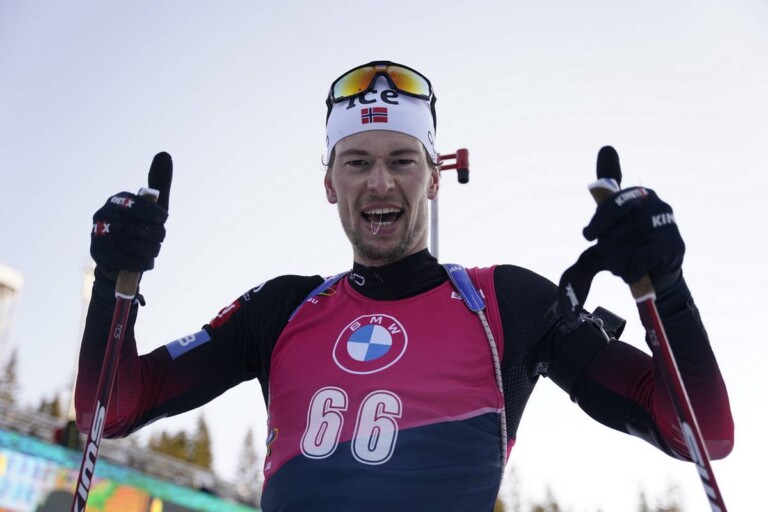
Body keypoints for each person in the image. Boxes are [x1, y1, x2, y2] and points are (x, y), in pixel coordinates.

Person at [76, 61, 734, 511]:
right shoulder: (280, 308)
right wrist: (114, 283)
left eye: (401, 161)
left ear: (434, 176)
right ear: (330, 182)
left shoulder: (507, 303)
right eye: (357, 162)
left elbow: (700, 433)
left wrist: (666, 287)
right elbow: (114, 408)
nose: (380, 182)